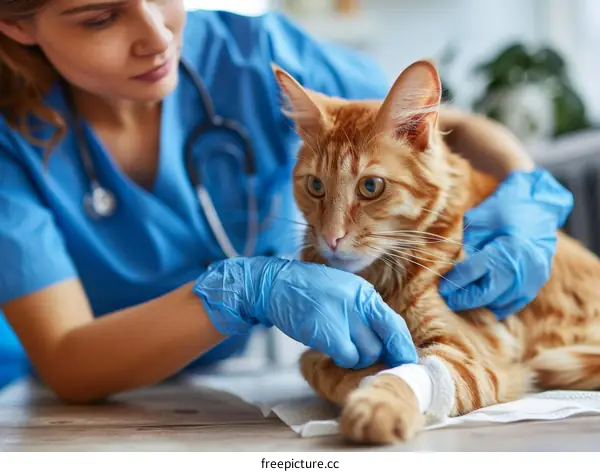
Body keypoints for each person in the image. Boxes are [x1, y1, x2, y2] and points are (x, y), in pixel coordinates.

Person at [0, 1, 573, 403]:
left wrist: (529, 196)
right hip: (92, 402)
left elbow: (443, 129)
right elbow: (67, 360)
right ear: (16, 25)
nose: (157, 35)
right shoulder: (10, 146)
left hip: (232, 390)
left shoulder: (253, 52)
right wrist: (246, 291)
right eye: (101, 16)